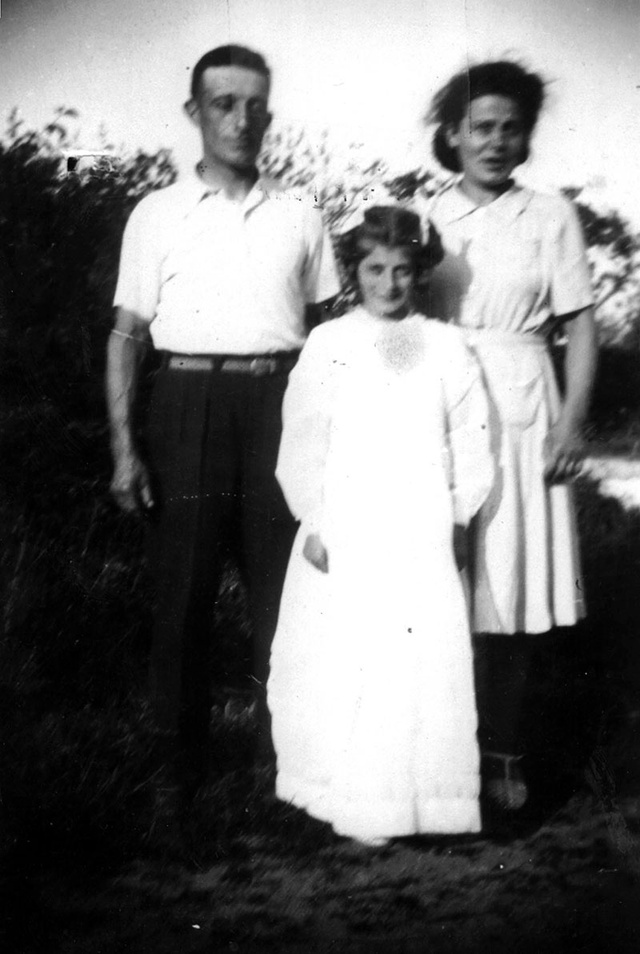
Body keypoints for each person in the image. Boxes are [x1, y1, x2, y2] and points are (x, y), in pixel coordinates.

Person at [106, 45, 340, 797]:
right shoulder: (157, 213)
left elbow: (334, 336)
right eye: (224, 104)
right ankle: (179, 774)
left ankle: (292, 766)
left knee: (290, 594)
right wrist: (123, 449)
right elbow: (125, 336)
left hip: (280, 405)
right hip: (187, 404)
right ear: (194, 113)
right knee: (184, 594)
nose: (242, 120)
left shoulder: (302, 213)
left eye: (255, 106)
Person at [267, 206, 494, 846]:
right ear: (353, 271)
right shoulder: (330, 343)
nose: (389, 284)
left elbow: (473, 442)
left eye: (402, 270)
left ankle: (420, 806)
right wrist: (313, 520)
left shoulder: (448, 345)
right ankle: (351, 801)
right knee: (347, 661)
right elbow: (304, 437)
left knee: (417, 664)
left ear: (420, 271)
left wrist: (455, 517)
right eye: (374, 269)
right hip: (347, 523)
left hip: (419, 526)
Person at [426, 61, 598, 811]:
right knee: (439, 585)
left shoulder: (551, 214)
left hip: (528, 408)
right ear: (453, 135)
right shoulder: (426, 216)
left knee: (512, 589)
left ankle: (503, 759)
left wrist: (570, 422)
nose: (495, 142)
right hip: (444, 409)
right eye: (480, 127)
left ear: (526, 137)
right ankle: (435, 764)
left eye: (509, 128)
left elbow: (581, 327)